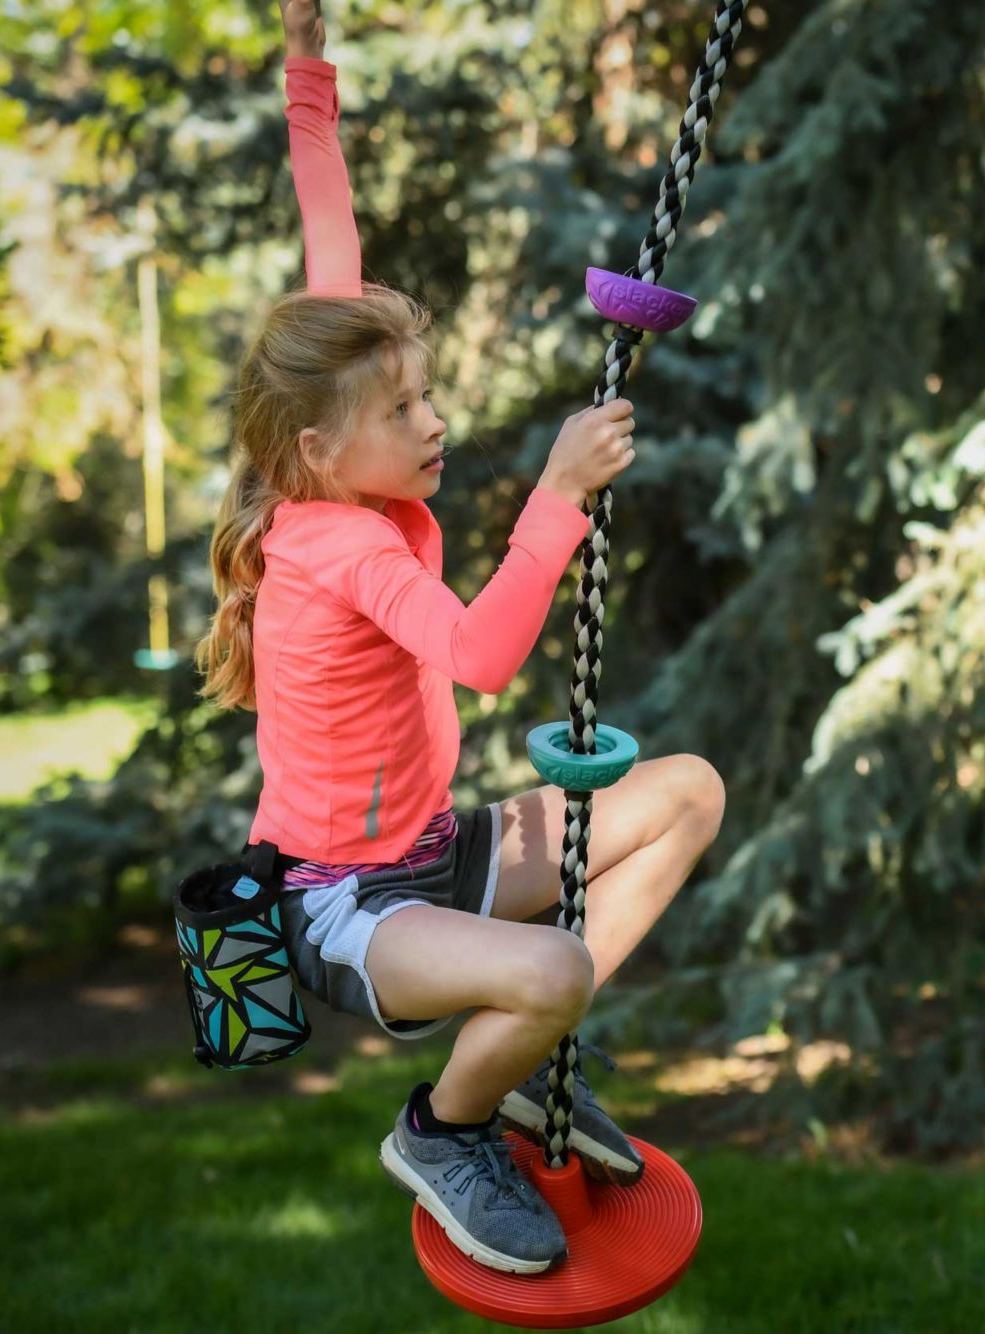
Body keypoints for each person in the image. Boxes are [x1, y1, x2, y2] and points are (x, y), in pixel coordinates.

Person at [192, 0, 726, 1275]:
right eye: (406, 410)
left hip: (434, 850)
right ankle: (443, 1127)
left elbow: (329, 229)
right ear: (322, 447)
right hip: (344, 904)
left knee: (687, 794)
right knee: (554, 969)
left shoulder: (324, 427)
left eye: (427, 393)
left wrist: (305, 63)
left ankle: (523, 1059)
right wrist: (557, 495)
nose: (434, 421)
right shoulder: (343, 547)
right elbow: (481, 656)